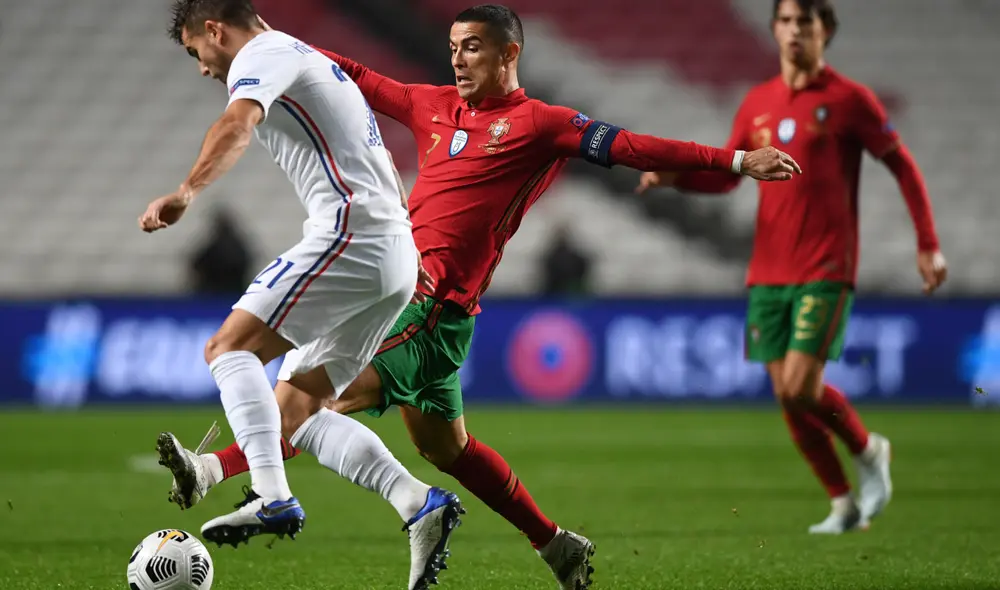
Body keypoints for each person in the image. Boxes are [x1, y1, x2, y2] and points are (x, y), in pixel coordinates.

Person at [158, 4, 800, 588]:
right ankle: (556, 546)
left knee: (306, 401)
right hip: (427, 305)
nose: (459, 59)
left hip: (429, 306)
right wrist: (275, 43)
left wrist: (737, 162)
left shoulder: (541, 123)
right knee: (448, 450)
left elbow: (628, 145)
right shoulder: (432, 105)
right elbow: (346, 72)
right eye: (453, 46)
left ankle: (216, 469)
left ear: (508, 54)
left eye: (472, 47)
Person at [145, 2, 463, 588]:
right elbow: (388, 172)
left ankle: (270, 496)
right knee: (303, 408)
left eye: (196, 52)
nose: (202, 68)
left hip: (352, 232)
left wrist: (188, 190)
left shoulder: (264, 53)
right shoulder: (312, 59)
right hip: (392, 248)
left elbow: (237, 124)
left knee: (228, 350)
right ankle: (419, 503)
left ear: (214, 29)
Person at [637, 0, 947, 534]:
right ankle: (843, 503)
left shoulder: (851, 100)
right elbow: (730, 176)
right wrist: (675, 178)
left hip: (826, 266)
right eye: (785, 21)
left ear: (825, 31)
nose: (795, 31)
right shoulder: (757, 101)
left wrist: (927, 243)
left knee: (802, 386)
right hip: (768, 270)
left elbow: (902, 165)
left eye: (806, 22)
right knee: (786, 394)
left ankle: (869, 448)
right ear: (775, 30)